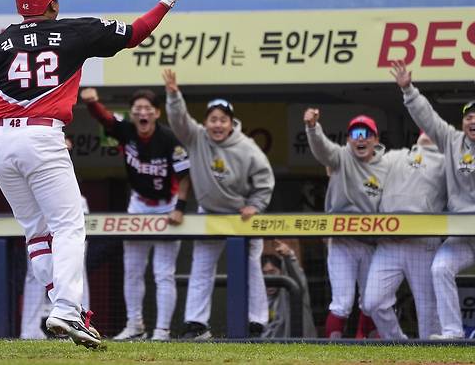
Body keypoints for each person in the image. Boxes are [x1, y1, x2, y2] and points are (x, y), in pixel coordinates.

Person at [0, 0, 184, 349]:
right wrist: (167, 2)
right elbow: (135, 33)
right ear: (52, 4)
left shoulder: (0, 41)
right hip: (41, 134)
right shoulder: (74, 30)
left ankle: (61, 304)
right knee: (69, 227)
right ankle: (67, 309)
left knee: (36, 232)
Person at [163, 69, 274, 340]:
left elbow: (265, 179)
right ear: (206, 122)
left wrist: (255, 205)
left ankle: (256, 322)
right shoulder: (197, 137)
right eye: (213, 119)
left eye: (223, 120)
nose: (217, 125)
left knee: (252, 267)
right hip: (209, 213)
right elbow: (179, 121)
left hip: (241, 215)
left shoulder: (247, 147)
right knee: (201, 266)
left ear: (231, 123)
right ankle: (196, 323)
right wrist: (174, 95)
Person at [390, 60, 475, 340]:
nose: (473, 121)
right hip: (461, 232)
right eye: (468, 117)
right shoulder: (452, 140)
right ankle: (452, 332)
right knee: (440, 268)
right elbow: (428, 118)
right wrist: (408, 90)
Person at [80, 87, 191, 341]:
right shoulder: (127, 131)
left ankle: (162, 331)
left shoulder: (168, 138)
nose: (143, 113)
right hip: (139, 206)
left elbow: (185, 176)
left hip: (167, 207)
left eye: (148, 109)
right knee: (132, 270)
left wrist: (180, 208)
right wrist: (93, 103)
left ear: (157, 113)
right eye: (138, 109)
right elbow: (107, 119)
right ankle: (135, 325)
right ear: (132, 113)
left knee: (163, 273)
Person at [303, 109, 389, 339]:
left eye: (366, 134)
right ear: (349, 139)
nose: (361, 139)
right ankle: (334, 351)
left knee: (372, 301)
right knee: (342, 302)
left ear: (376, 139)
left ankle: (367, 347)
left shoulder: (387, 166)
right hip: (342, 242)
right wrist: (312, 128)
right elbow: (322, 148)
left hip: (372, 243)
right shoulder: (340, 157)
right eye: (355, 134)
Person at [362, 132, 445, 339]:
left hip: (422, 242)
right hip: (388, 243)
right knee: (372, 302)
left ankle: (433, 355)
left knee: (428, 309)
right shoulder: (395, 156)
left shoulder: (446, 161)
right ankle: (397, 344)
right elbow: (369, 172)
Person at [19, 136, 91, 340]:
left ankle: (80, 320)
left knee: (75, 268)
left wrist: (59, 144)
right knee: (34, 272)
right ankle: (29, 331)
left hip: (67, 203)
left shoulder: (58, 142)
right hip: (38, 204)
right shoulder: (30, 141)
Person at [261, 239, 317, 338]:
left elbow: (298, 282)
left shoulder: (289, 292)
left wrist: (289, 256)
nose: (269, 278)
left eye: (272, 272)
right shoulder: (257, 299)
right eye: (264, 274)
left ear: (281, 272)